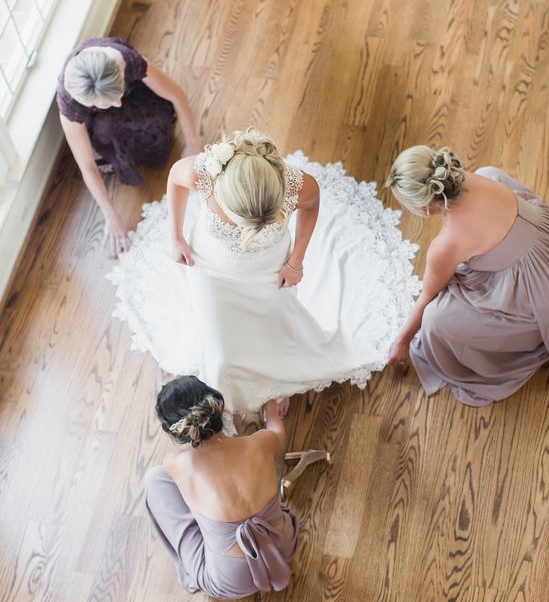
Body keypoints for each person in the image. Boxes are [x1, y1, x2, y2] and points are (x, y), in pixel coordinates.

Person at [109, 129, 420, 414]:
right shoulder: (203, 173)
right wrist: (175, 235)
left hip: (269, 270)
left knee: (275, 328)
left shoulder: (296, 184)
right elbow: (175, 181)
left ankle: (279, 380)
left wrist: (296, 261)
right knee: (219, 346)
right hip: (211, 272)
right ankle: (226, 399)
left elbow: (312, 206)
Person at [386, 146, 549, 405]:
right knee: (491, 172)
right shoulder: (475, 176)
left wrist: (403, 339)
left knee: (435, 322)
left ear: (423, 208)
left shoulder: (446, 245)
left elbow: (426, 298)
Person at [145, 375, 329, 599]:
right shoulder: (260, 443)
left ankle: (215, 537)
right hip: (283, 547)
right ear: (217, 407)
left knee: (154, 479)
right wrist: (268, 401)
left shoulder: (177, 463)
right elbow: (276, 430)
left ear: (178, 432)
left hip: (232, 581)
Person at [57, 36, 200, 256]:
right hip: (104, 125)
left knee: (157, 118)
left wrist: (192, 143)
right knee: (107, 129)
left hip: (139, 98)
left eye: (117, 95)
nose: (116, 103)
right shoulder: (70, 103)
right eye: (107, 103)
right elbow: (86, 165)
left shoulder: (125, 61)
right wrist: (111, 216)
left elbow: (177, 96)